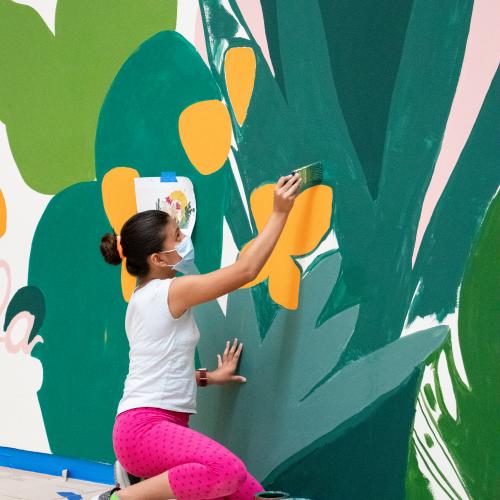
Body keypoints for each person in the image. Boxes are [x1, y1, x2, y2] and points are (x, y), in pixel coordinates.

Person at [97, 174, 301, 499]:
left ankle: (134, 485)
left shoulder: (142, 299)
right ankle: (120, 498)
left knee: (250, 495)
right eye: (177, 235)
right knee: (226, 470)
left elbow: (161, 371)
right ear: (158, 259)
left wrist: (210, 377)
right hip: (144, 429)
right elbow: (245, 271)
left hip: (150, 428)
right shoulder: (170, 291)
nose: (185, 238)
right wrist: (279, 212)